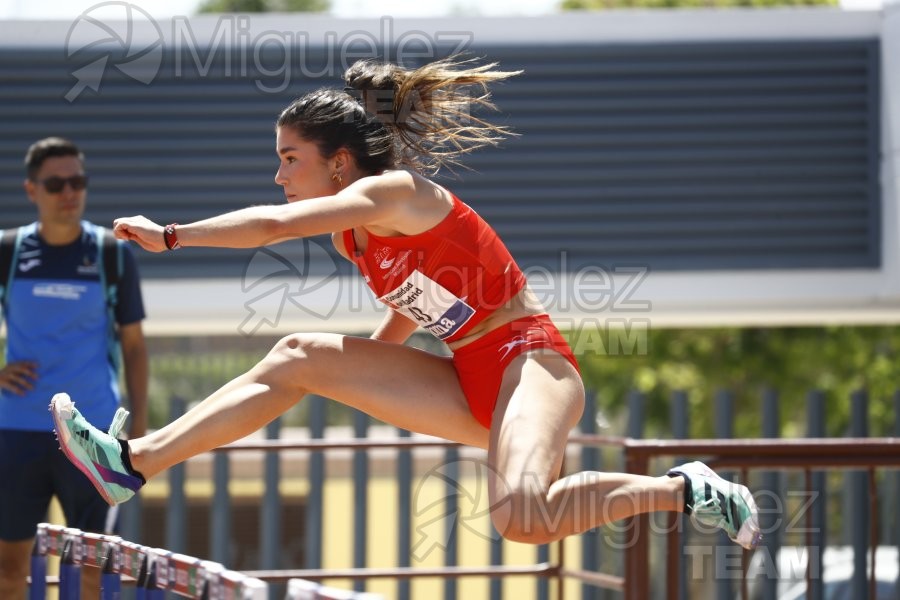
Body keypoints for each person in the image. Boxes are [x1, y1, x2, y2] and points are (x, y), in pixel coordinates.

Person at [51, 58, 760, 553]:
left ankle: (681, 489)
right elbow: (419, 310)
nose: (278, 173)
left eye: (289, 158)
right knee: (302, 355)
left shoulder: (393, 195)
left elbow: (269, 226)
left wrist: (170, 235)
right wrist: (363, 368)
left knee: (520, 517)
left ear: (338, 163)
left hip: (528, 362)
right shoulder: (356, 237)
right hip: (465, 375)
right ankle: (132, 463)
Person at [0, 137, 149, 600]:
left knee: (94, 568)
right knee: (9, 569)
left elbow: (136, 348)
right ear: (32, 190)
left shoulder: (111, 252)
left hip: (93, 436)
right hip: (16, 430)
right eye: (56, 183)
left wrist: (139, 434)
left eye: (78, 181)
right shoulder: (7, 250)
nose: (70, 192)